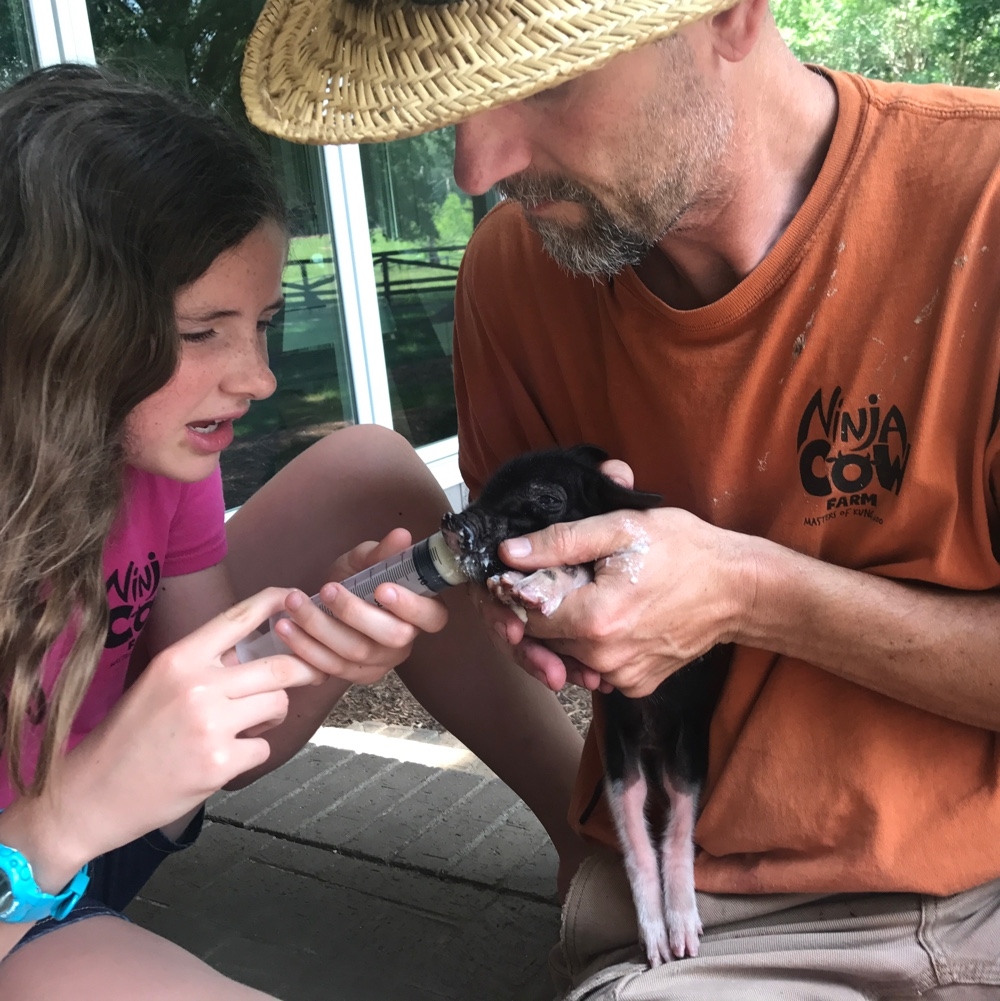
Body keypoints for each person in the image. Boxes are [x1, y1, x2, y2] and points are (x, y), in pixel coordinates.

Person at [241, 0, 1000, 996]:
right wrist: (517, 613)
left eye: (546, 79)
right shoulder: (513, 281)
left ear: (730, 15)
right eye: (463, 96)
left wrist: (749, 593)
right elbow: (542, 621)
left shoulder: (977, 208)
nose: (476, 166)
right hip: (709, 924)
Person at [0, 64, 587, 999]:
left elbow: (220, 762)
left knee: (370, 470)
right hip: (25, 890)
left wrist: (319, 656)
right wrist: (70, 819)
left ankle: (593, 846)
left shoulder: (163, 456)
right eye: (203, 333)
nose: (261, 378)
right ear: (56, 325)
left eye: (265, 324)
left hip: (112, 821)